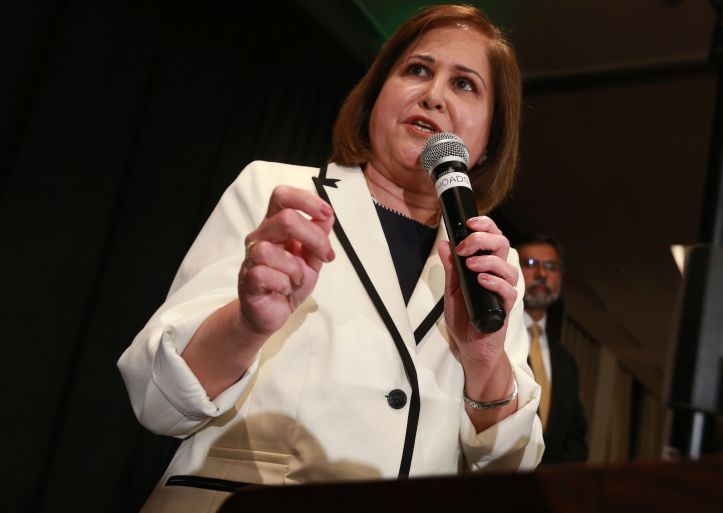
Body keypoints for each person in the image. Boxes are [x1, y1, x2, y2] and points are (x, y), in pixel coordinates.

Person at [118, 5, 544, 512]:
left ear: (490, 138)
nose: (433, 96)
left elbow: (510, 472)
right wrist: (247, 322)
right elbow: (157, 400)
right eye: (418, 70)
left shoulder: (493, 263)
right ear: (376, 95)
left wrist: (486, 362)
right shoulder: (279, 194)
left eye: (465, 85)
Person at [514, 233, 588, 464]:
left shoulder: (566, 361)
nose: (542, 274)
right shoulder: (491, 338)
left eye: (551, 267)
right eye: (530, 264)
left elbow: (574, 435)